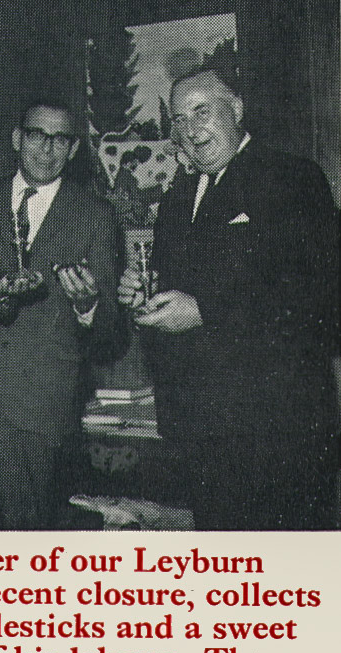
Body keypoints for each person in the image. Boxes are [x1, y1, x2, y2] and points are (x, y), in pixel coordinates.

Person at [118, 68, 339, 530]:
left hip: (278, 432)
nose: (190, 130)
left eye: (203, 112)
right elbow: (177, 286)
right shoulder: (179, 198)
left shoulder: (292, 178)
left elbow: (321, 299)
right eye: (178, 119)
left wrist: (204, 313)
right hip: (201, 430)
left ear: (236, 109)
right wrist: (145, 295)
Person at [0, 100, 127, 529]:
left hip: (42, 405)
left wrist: (87, 305)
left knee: (29, 529)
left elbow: (112, 331)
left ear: (73, 150)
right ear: (17, 139)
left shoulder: (95, 215)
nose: (47, 149)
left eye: (61, 140)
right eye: (38, 135)